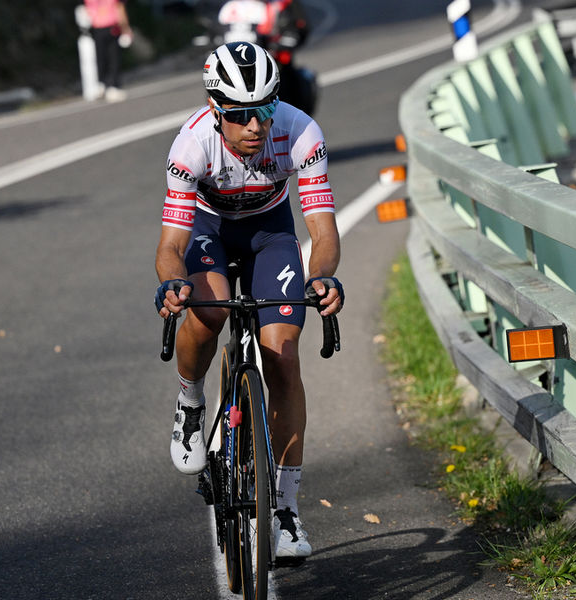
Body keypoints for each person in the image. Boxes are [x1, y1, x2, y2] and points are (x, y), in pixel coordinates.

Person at [154, 41, 343, 562]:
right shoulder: (190, 146)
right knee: (208, 311)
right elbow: (171, 247)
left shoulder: (301, 131)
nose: (255, 126)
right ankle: (191, 402)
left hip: (270, 231)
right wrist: (175, 285)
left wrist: (323, 279)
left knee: (282, 353)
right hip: (210, 230)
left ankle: (284, 509)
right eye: (239, 115)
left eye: (263, 109)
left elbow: (322, 232)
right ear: (217, 112)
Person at [83, 0, 132, 102]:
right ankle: (113, 86)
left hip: (97, 28)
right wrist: (125, 28)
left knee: (100, 58)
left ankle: (101, 84)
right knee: (114, 58)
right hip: (112, 26)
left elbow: (86, 11)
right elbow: (120, 9)